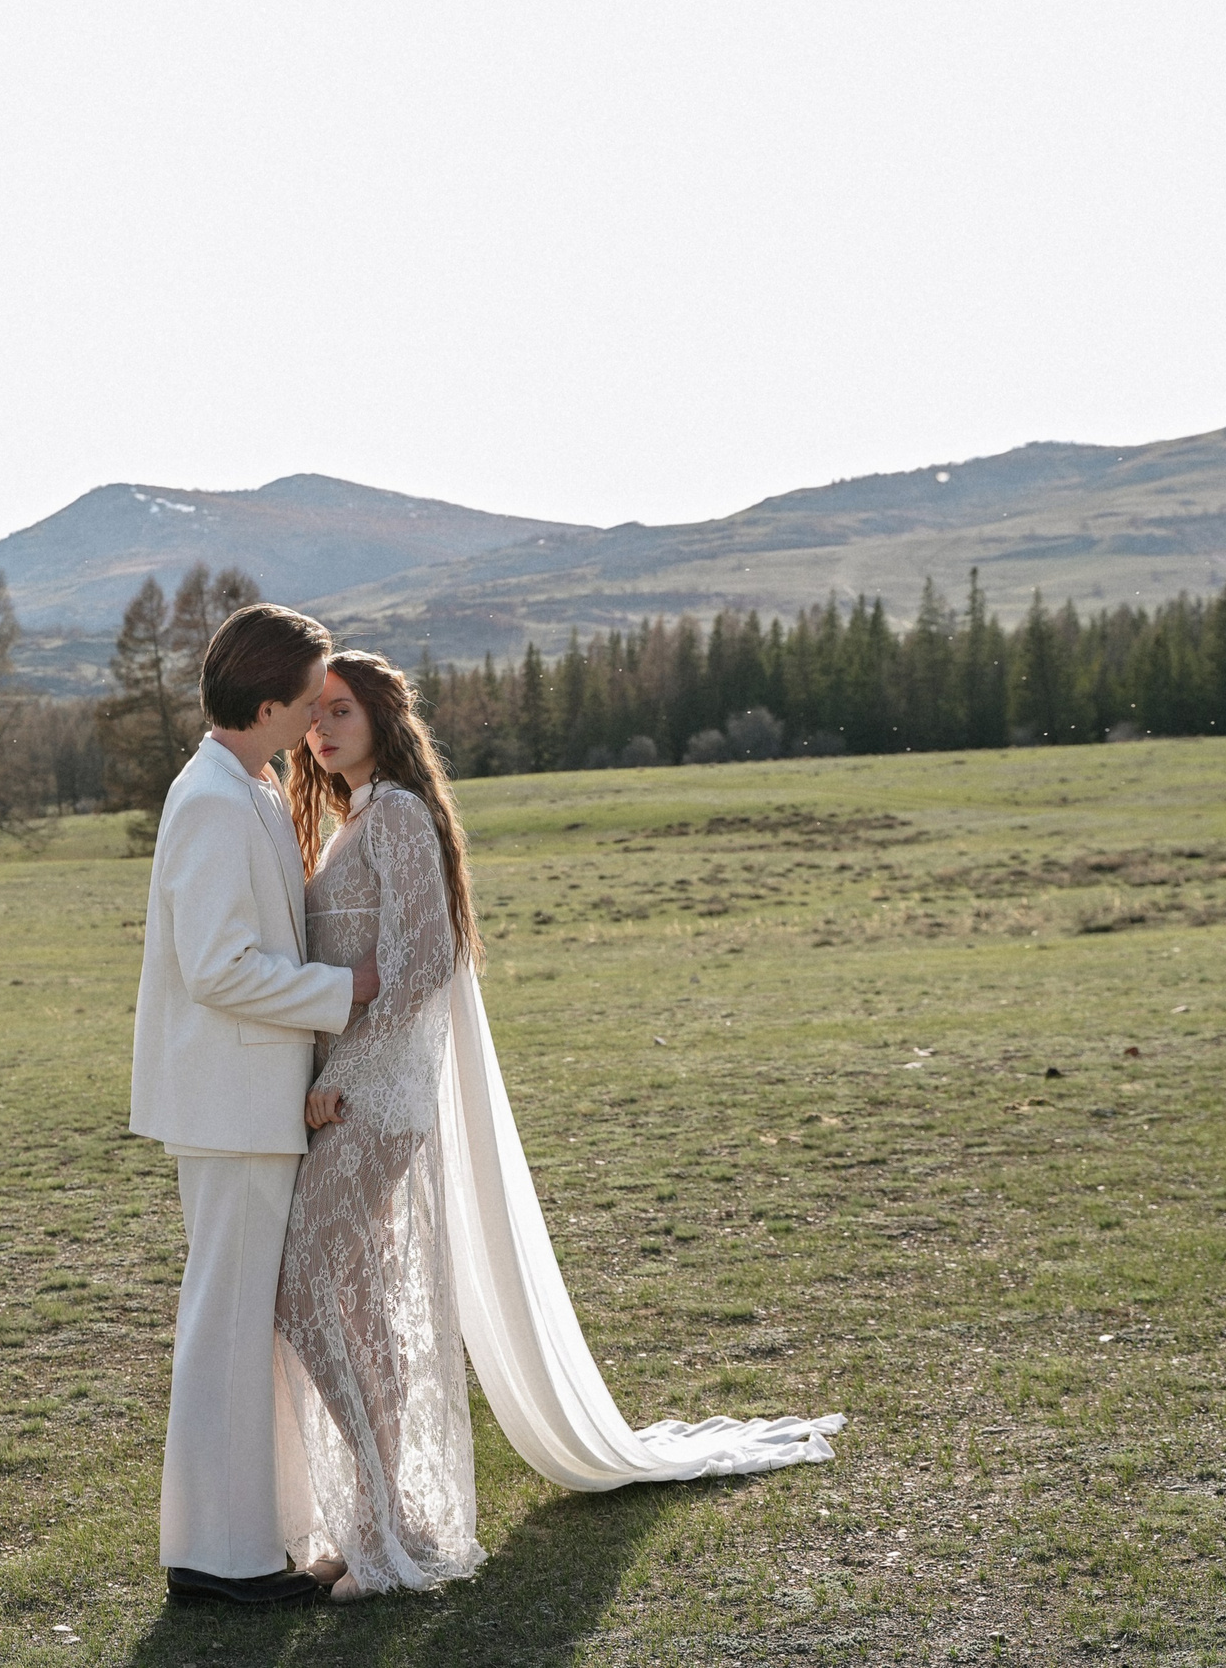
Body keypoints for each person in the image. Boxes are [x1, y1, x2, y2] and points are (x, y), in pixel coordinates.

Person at [275, 650, 845, 1603]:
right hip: (356, 1091)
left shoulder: (401, 815)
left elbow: (422, 966)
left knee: (304, 1290)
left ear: (381, 718)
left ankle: (379, 1531)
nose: (322, 729)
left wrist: (338, 1078)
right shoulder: (356, 819)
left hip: (375, 1096)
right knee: (361, 1307)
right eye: (315, 714)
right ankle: (381, 1523)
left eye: (342, 710)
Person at [127, 603, 380, 1609]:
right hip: (229, 1105)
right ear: (268, 703)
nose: (320, 714)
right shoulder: (211, 803)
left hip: (250, 1102)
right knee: (226, 1329)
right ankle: (216, 1559)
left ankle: (250, 1541)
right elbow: (219, 968)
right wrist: (345, 991)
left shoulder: (251, 786)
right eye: (310, 698)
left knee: (242, 1328)